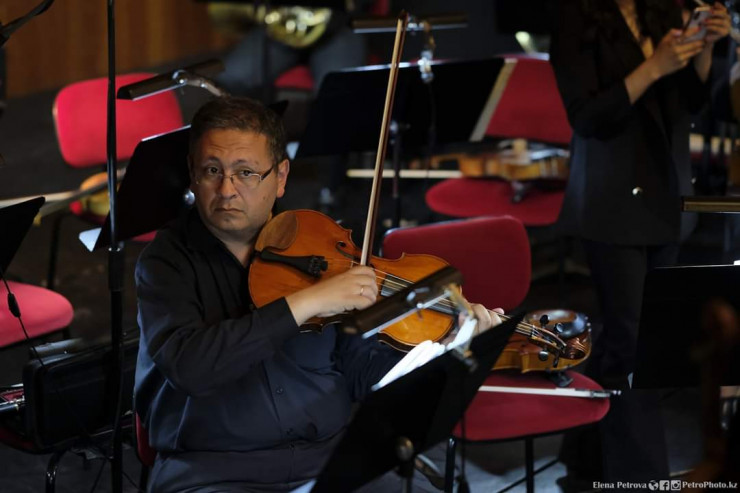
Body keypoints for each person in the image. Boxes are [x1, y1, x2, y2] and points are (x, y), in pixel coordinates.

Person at [134, 96, 502, 492]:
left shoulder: (321, 249)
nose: (227, 190)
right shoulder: (166, 262)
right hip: (214, 472)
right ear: (192, 175)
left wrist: (445, 350)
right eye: (212, 171)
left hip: (329, 461)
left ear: (281, 176)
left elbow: (361, 369)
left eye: (245, 173)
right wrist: (309, 302)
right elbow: (191, 368)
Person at [549, 0, 730, 487]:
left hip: (666, 193)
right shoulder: (574, 15)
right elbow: (586, 117)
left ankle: (584, 457)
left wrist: (705, 49)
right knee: (633, 344)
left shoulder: (662, 8)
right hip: (611, 197)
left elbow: (690, 102)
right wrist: (654, 67)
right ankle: (642, 479)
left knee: (632, 337)